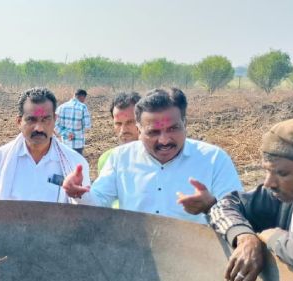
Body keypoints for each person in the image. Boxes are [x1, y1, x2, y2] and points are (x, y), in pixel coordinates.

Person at [62, 87, 242, 224]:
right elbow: (99, 203)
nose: (164, 140)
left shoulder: (213, 159)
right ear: (139, 130)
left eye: (173, 129)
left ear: (185, 123)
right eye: (153, 132)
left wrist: (211, 206)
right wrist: (79, 194)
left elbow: (238, 213)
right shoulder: (120, 158)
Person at [209, 116, 293, 281]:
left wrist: (274, 238)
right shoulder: (284, 195)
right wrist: (245, 237)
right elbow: (222, 207)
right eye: (267, 171)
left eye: (282, 173)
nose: (269, 183)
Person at [0, 87, 90, 203]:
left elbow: (87, 211)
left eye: (45, 119)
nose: (39, 128)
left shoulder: (74, 162)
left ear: (55, 119)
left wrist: (80, 196)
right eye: (31, 120)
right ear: (19, 122)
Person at [97, 92, 141, 173]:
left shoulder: (158, 159)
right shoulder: (107, 160)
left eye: (130, 122)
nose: (123, 130)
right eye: (118, 123)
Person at [55, 89, 92, 155]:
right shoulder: (83, 107)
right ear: (83, 97)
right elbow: (87, 125)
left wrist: (66, 133)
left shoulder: (61, 107)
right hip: (78, 144)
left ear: (74, 95)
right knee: (77, 163)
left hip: (65, 144)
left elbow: (55, 125)